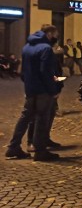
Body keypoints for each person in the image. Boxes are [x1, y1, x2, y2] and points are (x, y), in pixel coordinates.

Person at [5, 24, 61, 161]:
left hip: (30, 89)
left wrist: (28, 85)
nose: (56, 38)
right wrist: (53, 90)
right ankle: (40, 151)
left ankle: (13, 147)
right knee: (42, 119)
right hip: (43, 91)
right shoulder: (46, 49)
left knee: (25, 118)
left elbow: (23, 72)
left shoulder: (27, 47)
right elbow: (46, 72)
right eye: (55, 35)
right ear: (49, 34)